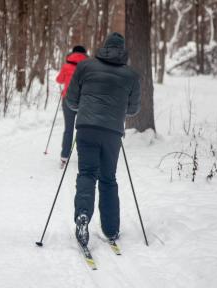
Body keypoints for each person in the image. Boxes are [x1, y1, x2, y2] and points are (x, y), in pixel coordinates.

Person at [66, 32, 141, 247]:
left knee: (87, 174)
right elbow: (133, 109)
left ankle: (82, 215)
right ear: (123, 50)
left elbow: (72, 101)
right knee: (108, 178)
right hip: (112, 133)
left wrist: (87, 106)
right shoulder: (132, 75)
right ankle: (111, 229)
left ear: (103, 47)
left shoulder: (85, 67)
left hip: (86, 128)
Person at [56, 45, 88, 168]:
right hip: (83, 101)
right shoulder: (87, 67)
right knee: (83, 129)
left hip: (68, 100)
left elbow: (59, 80)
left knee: (68, 129)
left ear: (72, 53)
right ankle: (84, 157)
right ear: (84, 54)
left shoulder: (66, 65)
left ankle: (64, 157)